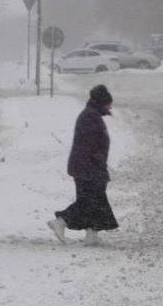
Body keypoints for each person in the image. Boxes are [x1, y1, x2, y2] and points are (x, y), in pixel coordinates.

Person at [49, 85, 119, 246]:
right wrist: (98, 163)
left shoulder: (92, 115)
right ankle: (61, 221)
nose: (110, 106)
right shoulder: (90, 117)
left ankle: (91, 234)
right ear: (102, 102)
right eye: (108, 103)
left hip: (87, 166)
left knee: (95, 201)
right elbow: (90, 145)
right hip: (87, 168)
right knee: (89, 202)